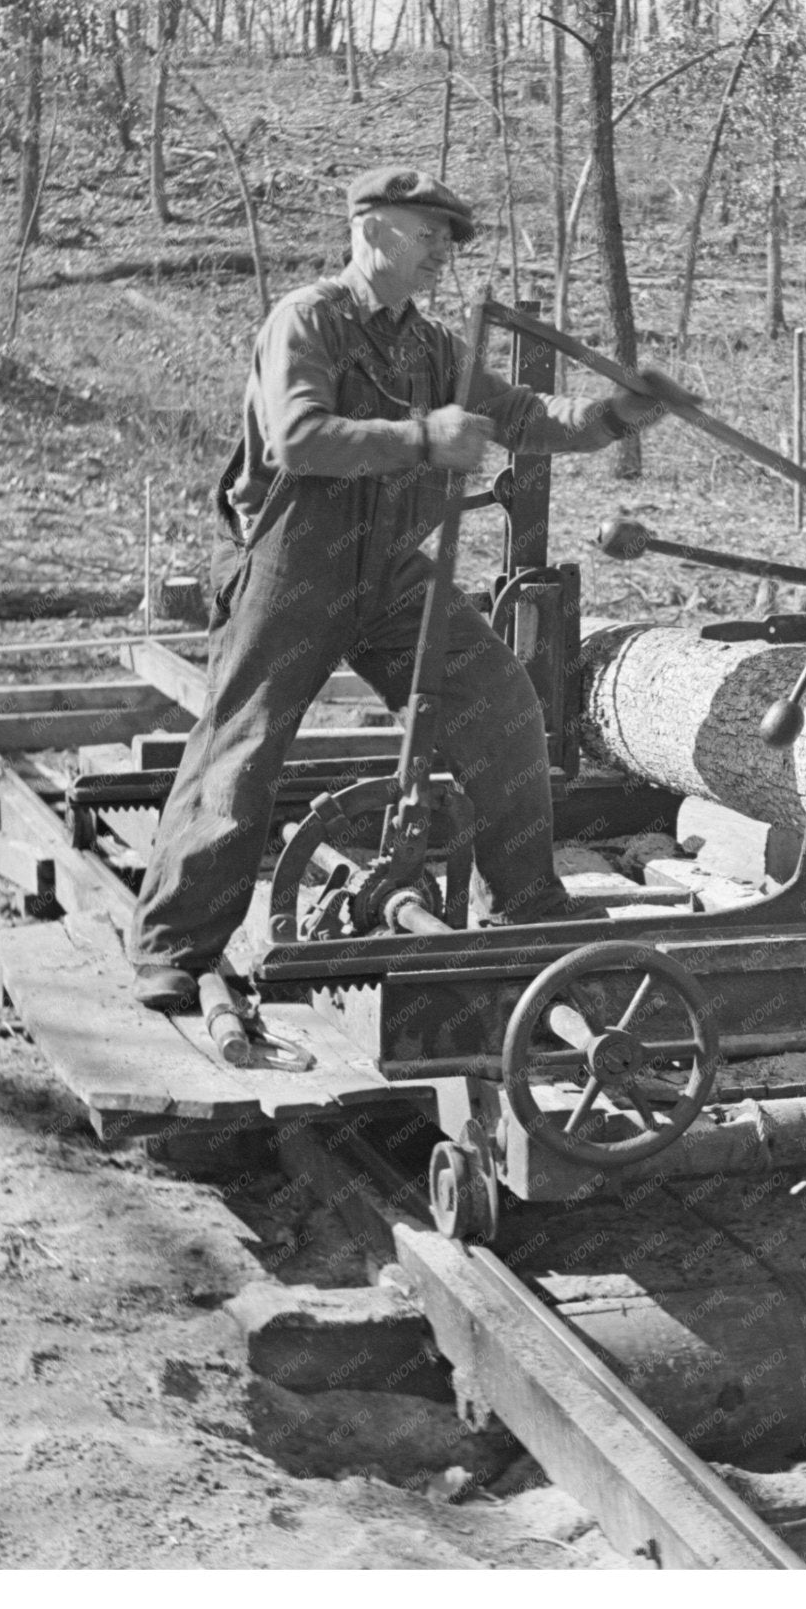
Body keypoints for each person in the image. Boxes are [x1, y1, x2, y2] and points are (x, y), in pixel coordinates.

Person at [129, 164, 678, 1009]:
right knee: (243, 747)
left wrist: (613, 416)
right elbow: (300, 439)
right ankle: (174, 947)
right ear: (374, 228)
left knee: (498, 699)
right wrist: (424, 436)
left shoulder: (431, 347)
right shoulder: (306, 320)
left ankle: (526, 902)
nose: (441, 258)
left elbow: (522, 414)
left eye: (448, 245)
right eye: (428, 238)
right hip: (294, 564)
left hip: (386, 566)